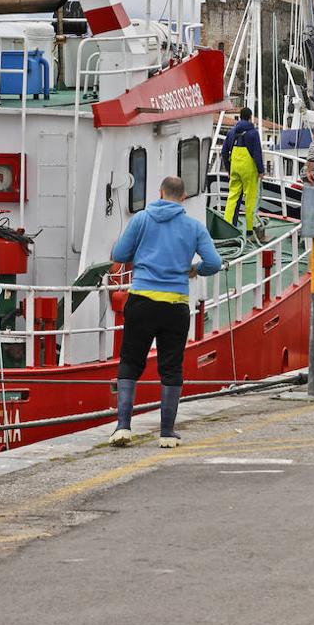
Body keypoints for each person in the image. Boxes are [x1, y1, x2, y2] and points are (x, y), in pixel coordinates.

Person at [109, 175, 223, 448]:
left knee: (130, 361)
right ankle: (167, 433)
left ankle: (123, 427)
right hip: (175, 304)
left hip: (142, 300)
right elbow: (214, 262)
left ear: (160, 193)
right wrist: (195, 270)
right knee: (171, 367)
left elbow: (120, 253)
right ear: (183, 198)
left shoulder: (141, 220)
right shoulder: (193, 227)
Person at [221, 107, 264, 236]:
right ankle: (249, 229)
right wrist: (261, 170)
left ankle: (228, 226)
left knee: (232, 197)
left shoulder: (231, 132)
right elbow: (257, 153)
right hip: (249, 169)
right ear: (250, 117)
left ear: (239, 117)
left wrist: (229, 169)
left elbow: (224, 152)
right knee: (250, 198)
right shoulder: (253, 133)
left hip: (235, 167)